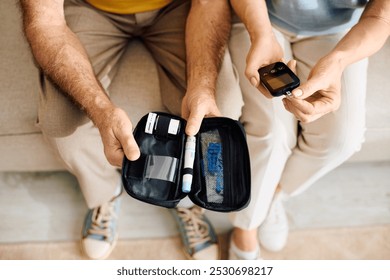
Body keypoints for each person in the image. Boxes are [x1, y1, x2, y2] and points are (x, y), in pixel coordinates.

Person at [19, 0, 243, 260]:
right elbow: (45, 21)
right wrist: (100, 109)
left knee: (219, 117)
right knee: (62, 125)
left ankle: (185, 198)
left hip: (178, 7)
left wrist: (203, 86)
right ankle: (105, 194)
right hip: (91, 8)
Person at [226, 0, 390, 259]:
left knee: (343, 139)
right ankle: (248, 225)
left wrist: (338, 61)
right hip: (260, 15)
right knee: (272, 132)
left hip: (341, 33)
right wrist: (260, 32)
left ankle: (271, 194)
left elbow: (382, 17)